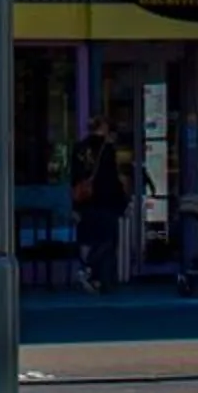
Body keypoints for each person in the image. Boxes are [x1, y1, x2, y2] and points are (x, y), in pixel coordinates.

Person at [72, 118, 129, 293]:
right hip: (106, 201)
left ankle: (97, 279)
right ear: (103, 127)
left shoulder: (79, 148)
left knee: (94, 239)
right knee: (107, 240)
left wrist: (75, 205)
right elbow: (112, 178)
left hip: (86, 202)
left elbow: (74, 178)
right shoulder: (107, 149)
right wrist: (123, 200)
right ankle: (93, 272)